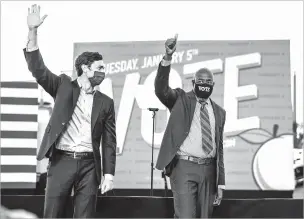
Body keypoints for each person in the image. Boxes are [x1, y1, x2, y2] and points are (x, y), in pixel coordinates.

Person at [24, 4, 117, 218]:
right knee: (52, 214)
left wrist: (109, 174)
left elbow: (109, 140)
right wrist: (33, 32)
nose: (104, 71)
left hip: (89, 165)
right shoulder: (64, 86)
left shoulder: (106, 102)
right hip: (61, 160)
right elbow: (38, 69)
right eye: (100, 67)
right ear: (85, 68)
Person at [155, 34, 226, 218]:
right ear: (193, 83)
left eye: (208, 82)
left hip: (209, 171)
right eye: (200, 82)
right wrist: (168, 57)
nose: (204, 85)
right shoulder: (180, 99)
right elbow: (161, 89)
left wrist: (221, 182)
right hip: (184, 167)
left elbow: (220, 149)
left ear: (213, 85)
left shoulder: (219, 112)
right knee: (186, 216)